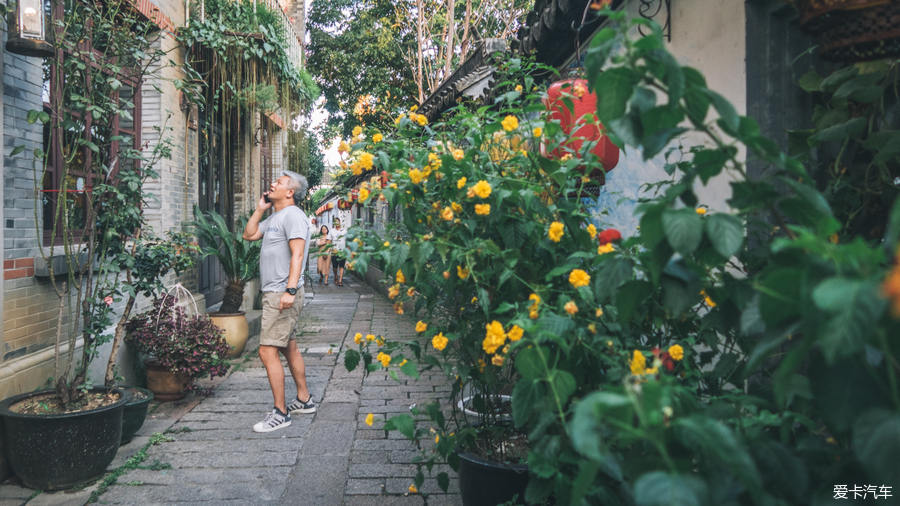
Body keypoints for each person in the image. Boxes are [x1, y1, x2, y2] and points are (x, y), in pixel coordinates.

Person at [242, 170, 316, 433]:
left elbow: (298, 255)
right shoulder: (276, 216)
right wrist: (260, 209)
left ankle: (280, 413)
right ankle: (304, 400)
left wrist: (290, 290)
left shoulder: (294, 216)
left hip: (281, 293)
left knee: (266, 351)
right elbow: (249, 235)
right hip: (276, 292)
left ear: (290, 192)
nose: (272, 183)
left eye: (280, 182)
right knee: (289, 348)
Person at [328, 218, 348, 287]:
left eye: (337, 221)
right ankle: (336, 275)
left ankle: (340, 280)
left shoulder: (344, 231)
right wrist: (329, 249)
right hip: (334, 251)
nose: (336, 223)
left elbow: (347, 240)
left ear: (339, 222)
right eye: (335, 222)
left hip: (342, 251)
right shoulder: (331, 231)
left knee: (341, 266)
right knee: (334, 267)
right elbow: (329, 241)